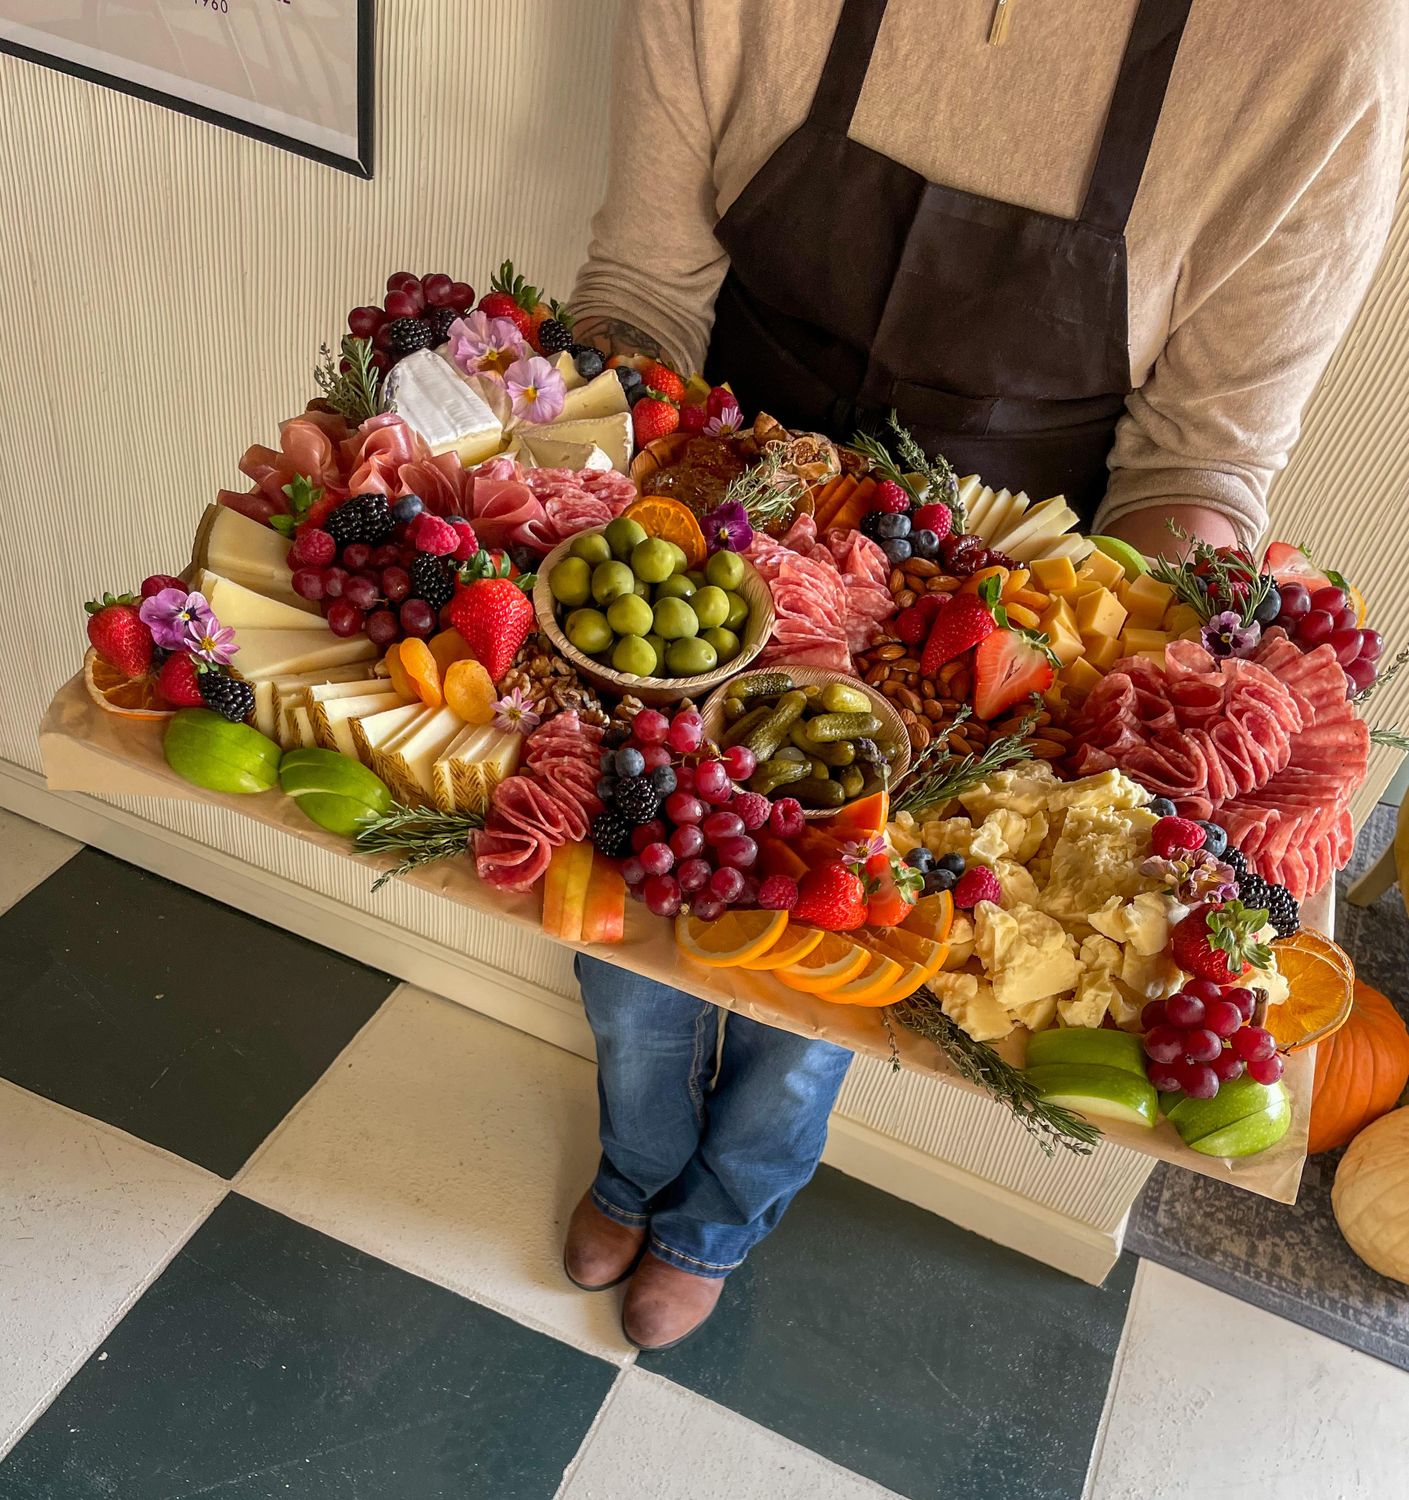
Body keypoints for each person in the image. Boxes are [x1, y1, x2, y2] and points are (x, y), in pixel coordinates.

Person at [565, 0, 1408, 1350]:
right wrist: (574, 484)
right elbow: (648, 287)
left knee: (824, 993)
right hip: (712, 553)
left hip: (997, 647)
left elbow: (1196, 460)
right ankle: (629, 1163)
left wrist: (1127, 690)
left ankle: (712, 1221)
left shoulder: (1320, 40)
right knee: (619, 932)